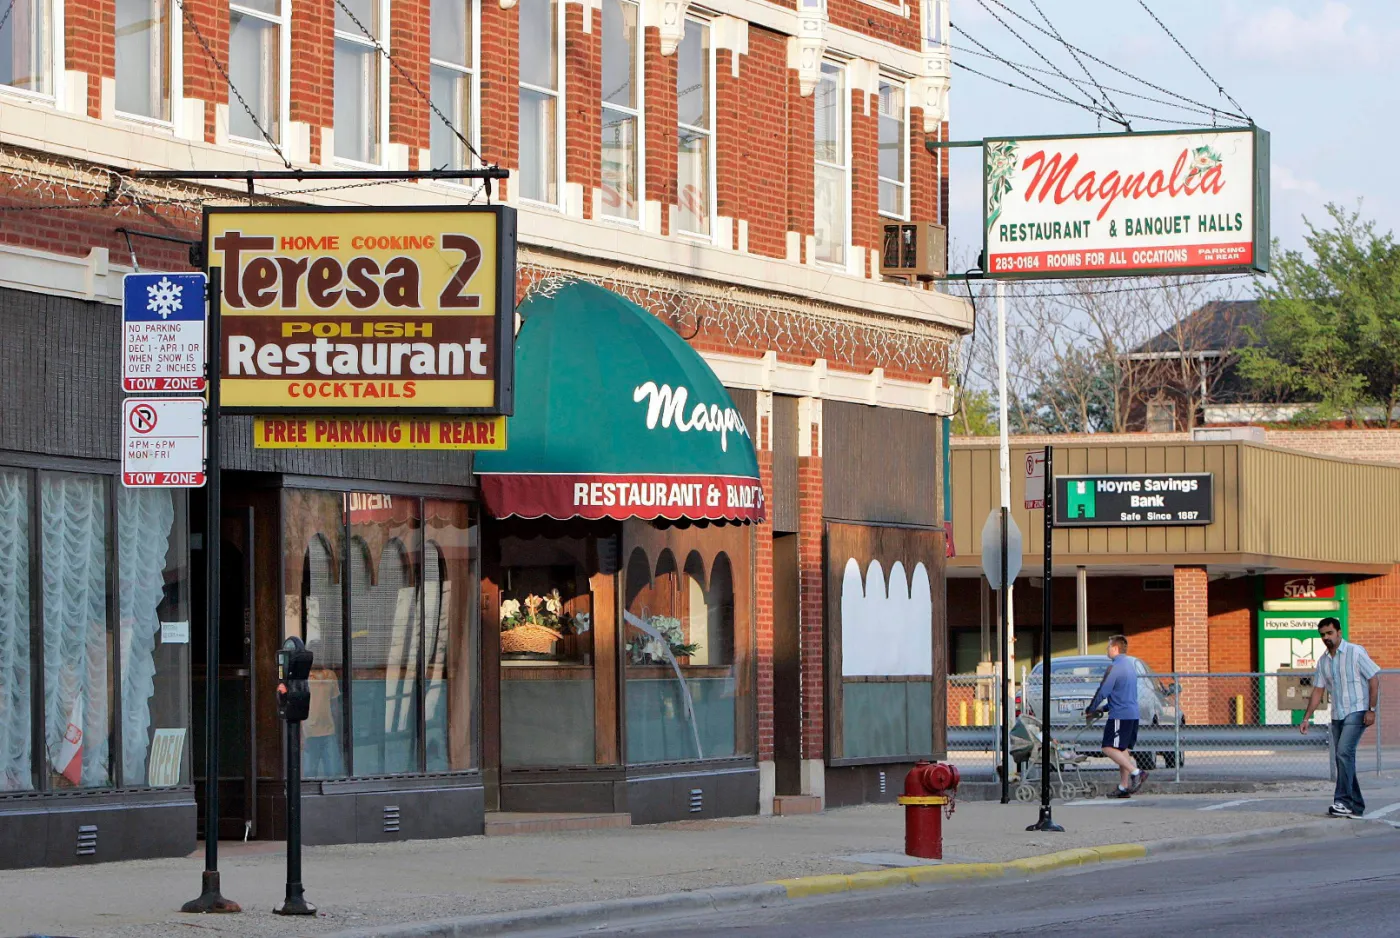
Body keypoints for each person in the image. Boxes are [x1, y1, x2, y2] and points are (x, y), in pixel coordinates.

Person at [1301, 617, 1380, 818]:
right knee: (1343, 758)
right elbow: (1318, 691)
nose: (1326, 637)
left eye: (1329, 633)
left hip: (1357, 711)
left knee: (1344, 753)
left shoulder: (1355, 652)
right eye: (1322, 635)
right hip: (1338, 714)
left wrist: (1371, 709)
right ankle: (1356, 806)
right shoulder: (1323, 661)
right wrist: (1306, 718)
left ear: (1339, 632)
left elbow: (1373, 679)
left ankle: (1342, 801)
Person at [1085, 635, 1147, 799]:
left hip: (1120, 715)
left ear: (1115, 648)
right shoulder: (1130, 665)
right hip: (1132, 714)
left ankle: (1136, 772)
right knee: (1122, 749)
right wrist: (1105, 708)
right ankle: (1123, 786)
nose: (1107, 650)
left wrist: (1090, 709)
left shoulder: (1115, 667)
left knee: (1107, 747)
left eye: (1108, 647)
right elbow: (1122, 693)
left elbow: (1103, 691)